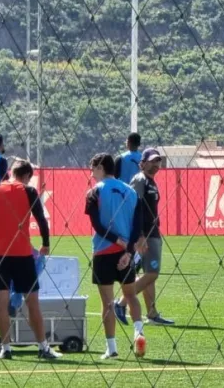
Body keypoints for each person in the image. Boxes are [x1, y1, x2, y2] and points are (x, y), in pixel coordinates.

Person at [0, 159, 61, 360]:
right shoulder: (28, 191)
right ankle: (43, 347)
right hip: (22, 254)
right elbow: (41, 219)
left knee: (1, 300)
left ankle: (5, 349)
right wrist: (46, 244)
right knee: (32, 302)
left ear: (10, 172)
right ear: (26, 177)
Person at [85, 153, 146, 359]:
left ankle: (111, 348)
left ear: (100, 167)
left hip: (103, 251)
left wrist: (116, 240)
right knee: (130, 296)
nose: (91, 173)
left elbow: (97, 225)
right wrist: (128, 251)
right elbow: (137, 226)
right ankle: (138, 332)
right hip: (125, 255)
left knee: (107, 303)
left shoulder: (94, 192)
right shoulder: (130, 192)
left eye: (93, 168)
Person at [116, 148, 174, 326]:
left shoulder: (149, 181)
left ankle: (152, 313)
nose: (157, 164)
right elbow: (133, 207)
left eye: (158, 161)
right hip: (146, 234)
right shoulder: (141, 180)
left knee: (148, 273)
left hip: (151, 232)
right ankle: (121, 303)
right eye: (153, 161)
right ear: (143, 162)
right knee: (152, 274)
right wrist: (140, 235)